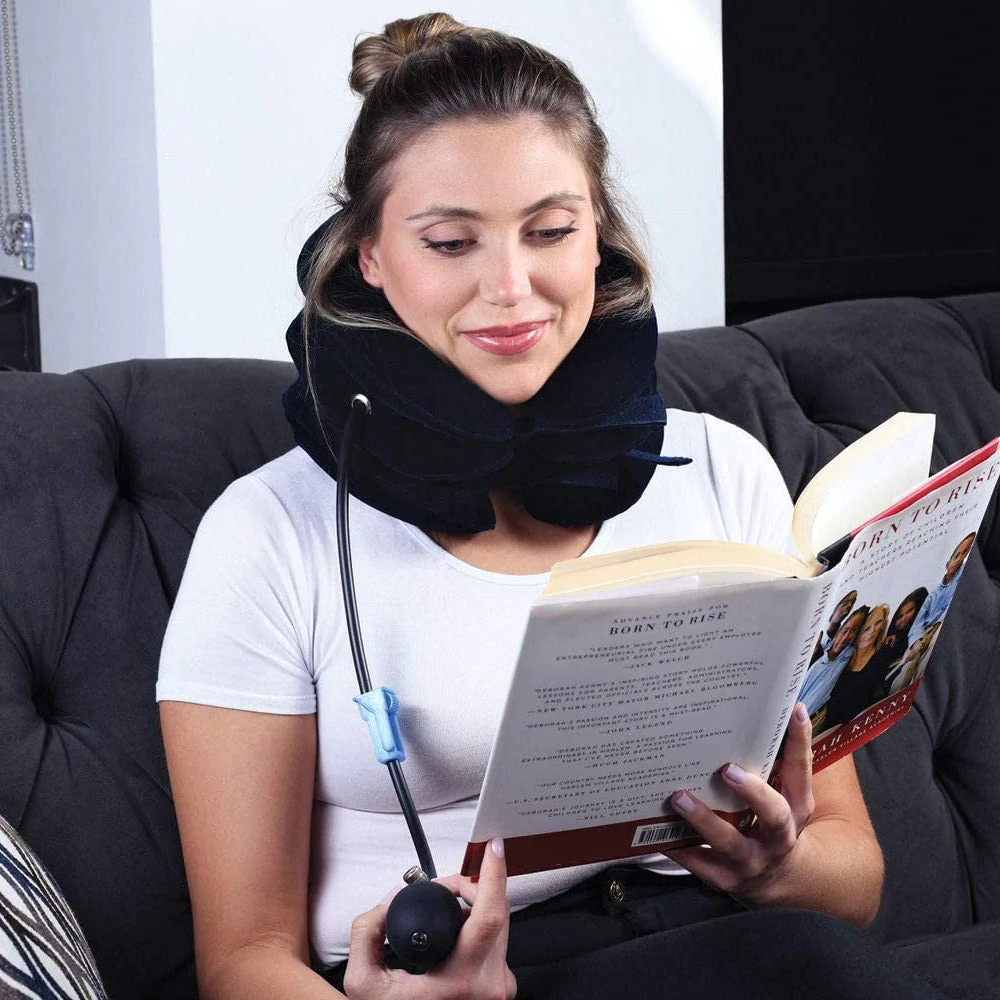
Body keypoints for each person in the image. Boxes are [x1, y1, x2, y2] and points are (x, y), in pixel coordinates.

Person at [156, 15, 895, 1000]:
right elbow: (242, 959)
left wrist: (779, 868)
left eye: (550, 232)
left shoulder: (722, 468)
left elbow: (854, 883)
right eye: (450, 241)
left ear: (599, 240)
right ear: (368, 256)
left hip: (740, 943)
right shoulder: (269, 535)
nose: (511, 287)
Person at [822, 604, 891, 731]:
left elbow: (876, 702)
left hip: (854, 730)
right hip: (826, 725)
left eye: (878, 623)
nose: (873, 630)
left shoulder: (881, 657)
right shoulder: (845, 655)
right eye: (867, 627)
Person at [799, 605, 867, 723]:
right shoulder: (821, 648)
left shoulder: (849, 656)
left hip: (808, 720)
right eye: (845, 630)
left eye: (854, 631)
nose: (846, 636)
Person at [908, 532, 976, 645]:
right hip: (925, 633)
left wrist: (936, 628)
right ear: (947, 565)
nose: (960, 559)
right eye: (957, 556)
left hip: (946, 625)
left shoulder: (964, 574)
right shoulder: (933, 596)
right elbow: (917, 623)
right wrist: (916, 641)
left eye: (966, 553)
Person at [810, 589, 857, 664]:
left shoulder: (842, 639)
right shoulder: (819, 624)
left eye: (852, 603)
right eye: (846, 602)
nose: (849, 605)